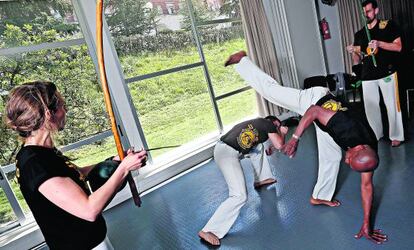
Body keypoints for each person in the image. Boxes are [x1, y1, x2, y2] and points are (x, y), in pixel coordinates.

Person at [225, 51, 387, 244]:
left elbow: (367, 186)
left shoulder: (369, 155)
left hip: (328, 119)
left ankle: (319, 196)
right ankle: (242, 61)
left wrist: (366, 223)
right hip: (313, 100)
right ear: (355, 150)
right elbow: (314, 111)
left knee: (333, 157)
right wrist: (294, 138)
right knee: (271, 92)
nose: (347, 160)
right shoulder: (345, 129)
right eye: (349, 159)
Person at [5, 81, 147, 250]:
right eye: (62, 105)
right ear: (48, 114)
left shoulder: (41, 151)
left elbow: (74, 174)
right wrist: (124, 169)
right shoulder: (34, 164)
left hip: (92, 241)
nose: (66, 110)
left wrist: (115, 161)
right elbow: (89, 209)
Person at [198, 116, 288, 246]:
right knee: (239, 196)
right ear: (273, 123)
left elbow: (269, 145)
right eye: (277, 127)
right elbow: (280, 145)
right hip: (226, 154)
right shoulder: (269, 125)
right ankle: (208, 230)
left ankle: (261, 178)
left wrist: (272, 147)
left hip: (225, 147)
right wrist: (283, 133)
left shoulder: (259, 124)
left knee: (258, 148)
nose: (277, 129)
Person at [346, 0, 403, 147]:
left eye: (369, 11)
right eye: (364, 12)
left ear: (376, 11)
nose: (366, 14)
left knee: (391, 106)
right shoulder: (359, 33)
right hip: (367, 75)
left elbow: (398, 47)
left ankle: (396, 136)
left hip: (387, 72)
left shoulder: (387, 25)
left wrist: (379, 44)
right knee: (371, 108)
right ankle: (376, 135)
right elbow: (357, 60)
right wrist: (354, 51)